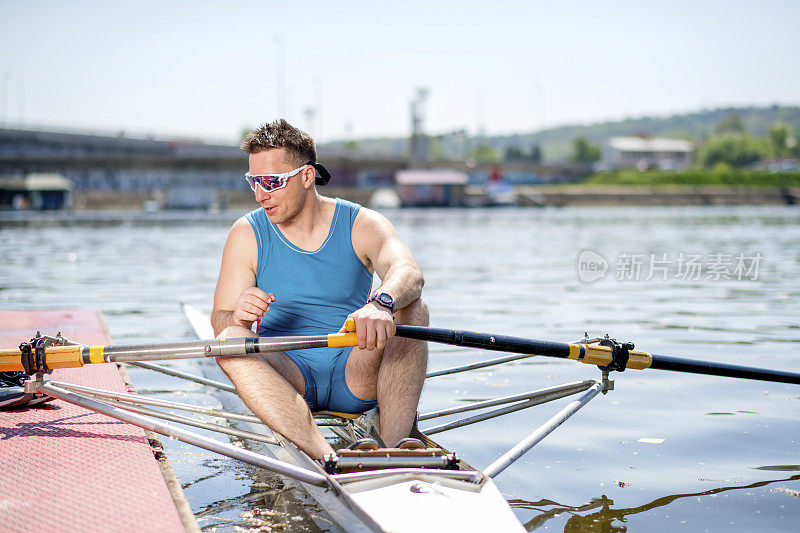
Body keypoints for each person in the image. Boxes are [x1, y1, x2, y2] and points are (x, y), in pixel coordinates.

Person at [211, 119, 428, 460]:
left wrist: (382, 304)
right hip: (288, 371)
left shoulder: (362, 223)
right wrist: (236, 314)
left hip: (356, 367)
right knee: (228, 340)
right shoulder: (246, 233)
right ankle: (327, 458)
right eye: (253, 181)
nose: (259, 194)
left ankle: (394, 448)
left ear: (307, 176)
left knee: (414, 307)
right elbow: (220, 319)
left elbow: (409, 273)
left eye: (271, 181)